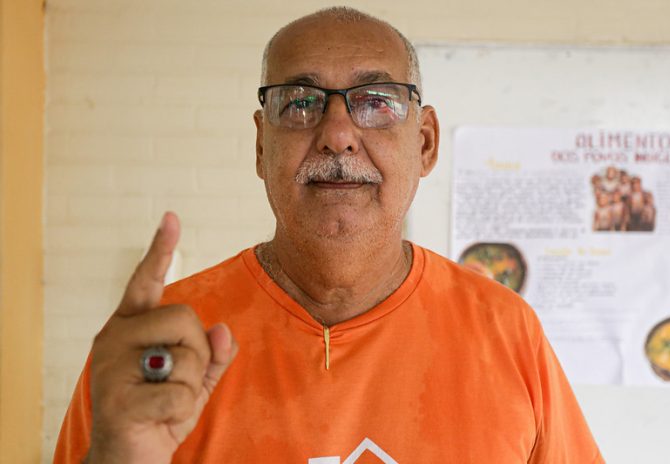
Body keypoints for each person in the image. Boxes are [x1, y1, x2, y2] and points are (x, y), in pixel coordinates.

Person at [54, 7, 604, 463]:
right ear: (261, 147)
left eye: (377, 102)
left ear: (425, 143)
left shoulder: (506, 332)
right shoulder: (159, 350)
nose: (338, 134)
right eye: (299, 103)